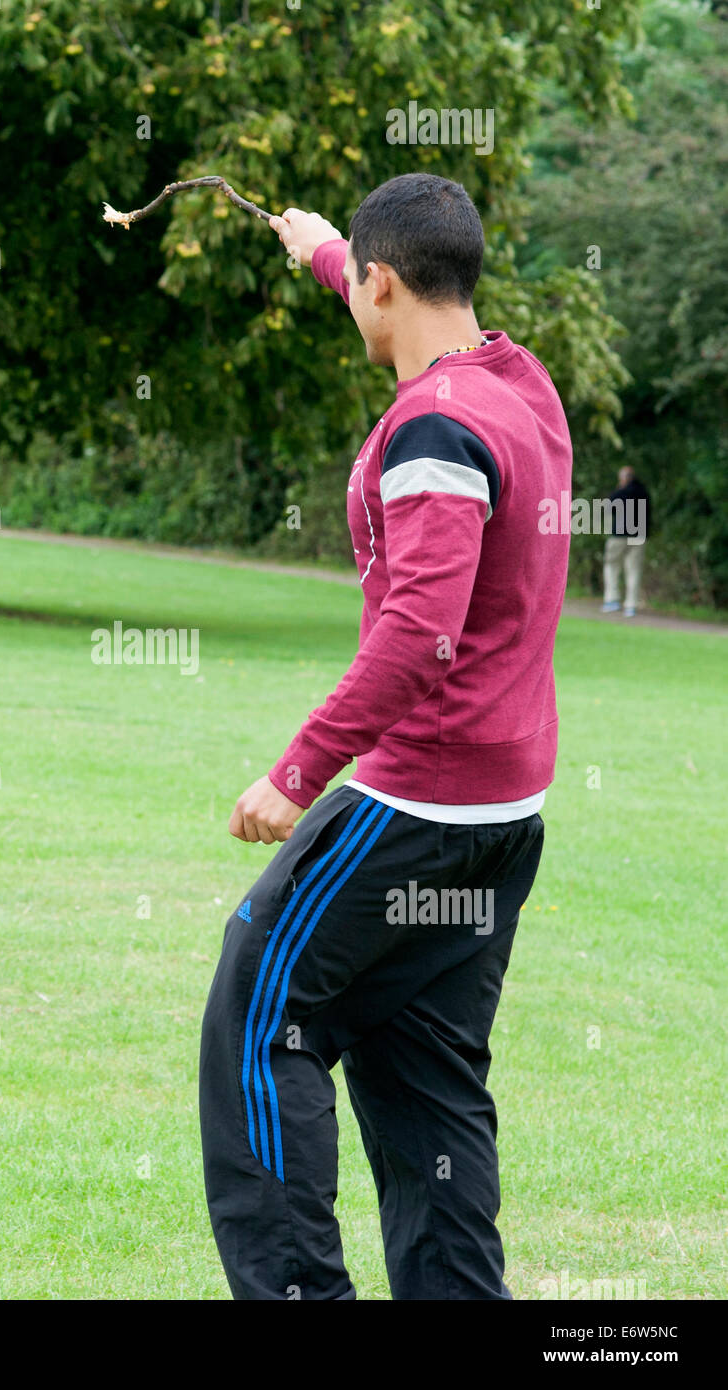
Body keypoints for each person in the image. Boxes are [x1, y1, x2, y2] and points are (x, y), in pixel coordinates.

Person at [198, 173, 572, 1300]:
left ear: (388, 284)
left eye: (358, 280)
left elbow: (419, 632)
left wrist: (297, 770)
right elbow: (393, 293)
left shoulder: (434, 428)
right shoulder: (519, 384)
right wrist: (321, 250)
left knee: (259, 1012)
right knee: (424, 1082)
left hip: (417, 806)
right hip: (504, 820)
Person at [602, 465, 651, 616]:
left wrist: (619, 489)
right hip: (639, 535)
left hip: (620, 535)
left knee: (611, 565)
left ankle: (612, 600)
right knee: (633, 570)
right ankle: (631, 605)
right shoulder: (643, 492)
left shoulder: (621, 492)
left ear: (623, 478)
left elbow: (608, 507)